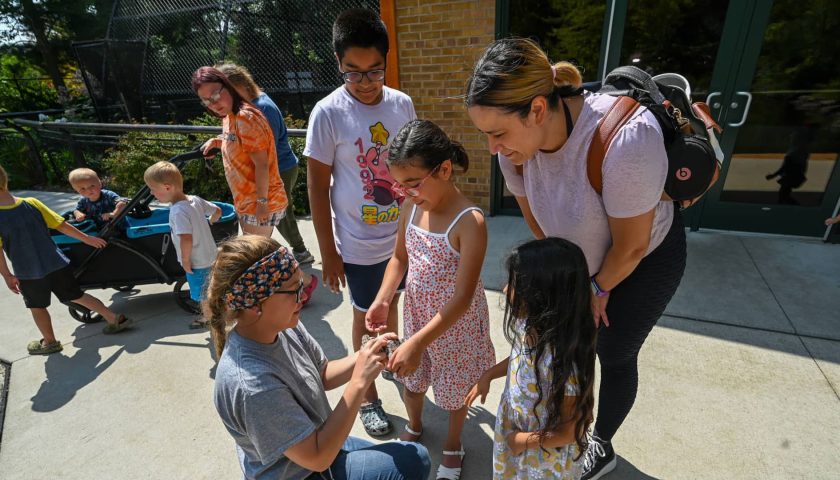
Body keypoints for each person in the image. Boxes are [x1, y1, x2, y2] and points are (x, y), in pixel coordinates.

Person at [465, 38, 687, 480]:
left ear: (538, 110)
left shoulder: (625, 136)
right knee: (561, 348)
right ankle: (573, 423)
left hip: (643, 259)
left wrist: (597, 290)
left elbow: (631, 247)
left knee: (614, 351)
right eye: (484, 134)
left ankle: (598, 442)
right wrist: (566, 284)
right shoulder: (515, 153)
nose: (492, 148)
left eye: (499, 133)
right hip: (576, 264)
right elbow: (543, 230)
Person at [203, 235, 431, 480]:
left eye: (302, 285)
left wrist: (366, 356)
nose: (304, 296)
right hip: (303, 471)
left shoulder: (283, 325)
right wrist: (359, 382)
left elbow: (321, 374)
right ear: (253, 304)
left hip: (316, 446)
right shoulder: (252, 386)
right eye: (294, 290)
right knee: (416, 460)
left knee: (406, 456)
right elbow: (318, 458)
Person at [305, 8, 416, 436]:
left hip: (402, 237)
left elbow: (412, 167)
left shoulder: (401, 103)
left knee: (393, 309)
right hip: (358, 243)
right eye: (354, 73)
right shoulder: (327, 113)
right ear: (338, 64)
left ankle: (385, 360)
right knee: (365, 318)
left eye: (374, 72)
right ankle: (367, 395)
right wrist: (328, 252)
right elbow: (317, 188)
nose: (366, 84)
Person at [365, 120, 496, 480]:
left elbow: (463, 297)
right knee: (413, 379)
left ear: (445, 169)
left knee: (455, 391)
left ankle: (454, 443)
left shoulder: (469, 221)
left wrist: (419, 342)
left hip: (457, 326)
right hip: (418, 315)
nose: (406, 193)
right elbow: (398, 259)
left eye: (413, 184)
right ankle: (416, 423)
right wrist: (382, 298)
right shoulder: (411, 207)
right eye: (400, 184)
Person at [465, 238, 597, 480]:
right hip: (518, 437)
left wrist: (523, 441)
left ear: (543, 296)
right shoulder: (529, 324)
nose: (505, 289)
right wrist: (488, 375)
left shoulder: (565, 363)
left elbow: (570, 431)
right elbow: (520, 359)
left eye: (515, 284)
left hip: (544, 457)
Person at [0, 165, 133, 355]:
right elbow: (61, 225)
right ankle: (113, 318)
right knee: (77, 295)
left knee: (37, 306)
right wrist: (88, 239)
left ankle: (50, 342)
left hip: (28, 272)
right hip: (57, 263)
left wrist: (7, 275)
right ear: (5, 180)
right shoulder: (32, 203)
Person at [217, 63, 319, 301]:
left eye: (223, 91)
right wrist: (221, 142)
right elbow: (243, 142)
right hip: (257, 185)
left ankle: (300, 261)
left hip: (279, 169)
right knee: (262, 240)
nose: (219, 99)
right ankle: (296, 271)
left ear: (238, 85)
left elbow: (262, 154)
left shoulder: (259, 108)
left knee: (274, 225)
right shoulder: (239, 109)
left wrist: (262, 200)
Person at [193, 66, 289, 238]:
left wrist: (261, 204)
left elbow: (262, 164)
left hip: (259, 203)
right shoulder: (230, 115)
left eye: (215, 95)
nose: (213, 104)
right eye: (206, 101)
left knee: (255, 257)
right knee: (256, 253)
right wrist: (217, 141)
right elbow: (237, 140)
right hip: (247, 201)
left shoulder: (245, 117)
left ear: (228, 86)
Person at [143, 161, 222, 329]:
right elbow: (217, 210)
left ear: (167, 187)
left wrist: (185, 260)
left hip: (196, 261)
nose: (151, 193)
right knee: (213, 284)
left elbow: (186, 238)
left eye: (153, 189)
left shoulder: (177, 211)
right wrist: (212, 221)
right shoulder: (195, 200)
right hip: (211, 255)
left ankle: (208, 318)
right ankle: (219, 309)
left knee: (202, 294)